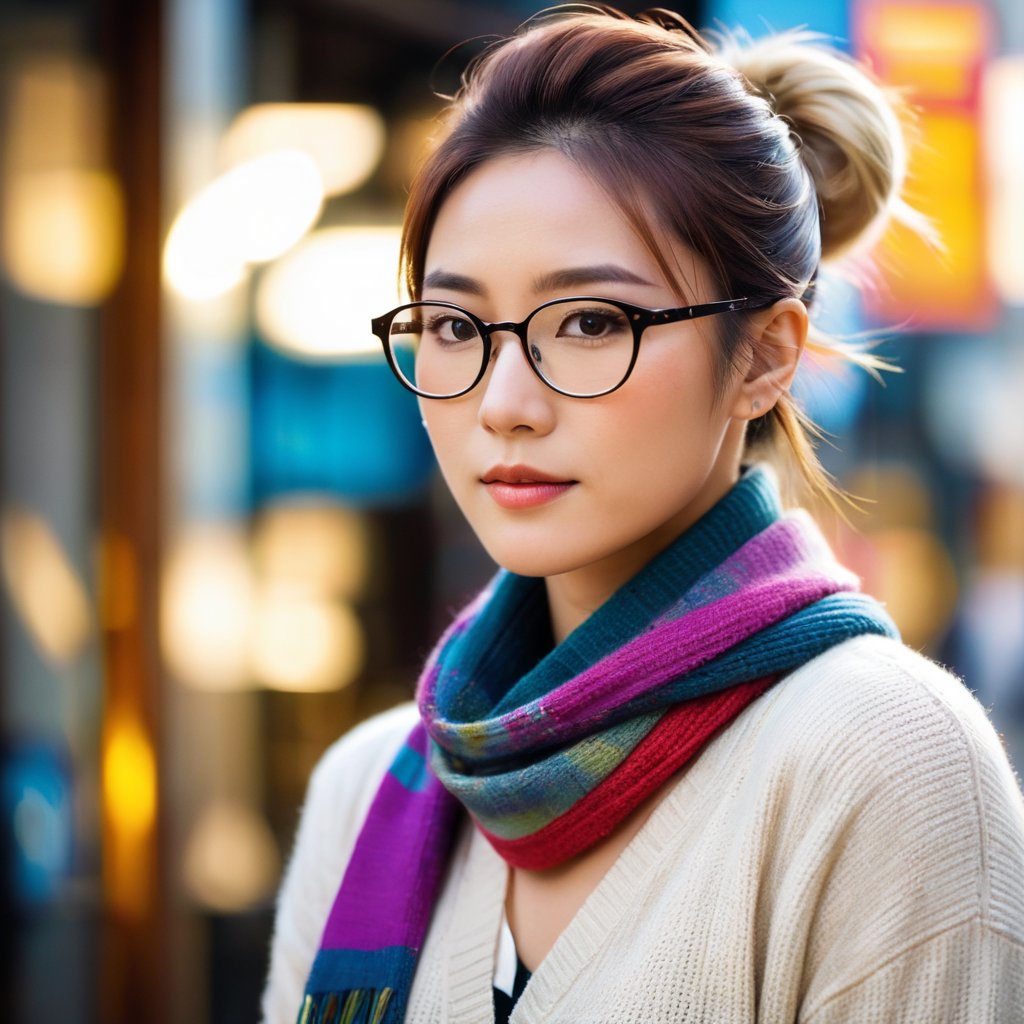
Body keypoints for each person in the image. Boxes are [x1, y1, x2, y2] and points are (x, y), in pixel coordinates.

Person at [261, 8, 1024, 1023]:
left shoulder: (878, 760)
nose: (503, 402)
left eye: (588, 322)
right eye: (453, 325)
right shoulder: (372, 791)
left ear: (763, 356)